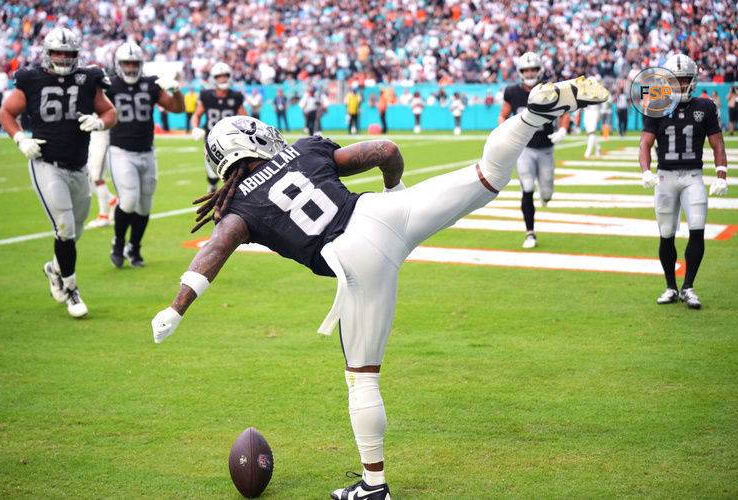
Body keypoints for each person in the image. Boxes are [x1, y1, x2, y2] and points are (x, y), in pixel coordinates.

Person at [151, 76, 609, 499]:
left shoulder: (238, 209)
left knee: (363, 377)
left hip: (352, 260)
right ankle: (531, 116)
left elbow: (212, 253)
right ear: (254, 139)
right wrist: (398, 195)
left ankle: (374, 485)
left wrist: (175, 309)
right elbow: (385, 150)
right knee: (487, 177)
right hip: (382, 214)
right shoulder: (306, 150)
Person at [0, 27, 117, 318]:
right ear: (47, 54)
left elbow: (110, 111)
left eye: (69, 54)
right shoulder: (31, 78)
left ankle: (54, 268)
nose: (63, 58)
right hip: (46, 163)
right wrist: (20, 138)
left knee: (73, 231)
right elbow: (6, 113)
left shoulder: (88, 78)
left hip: (79, 166)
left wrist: (100, 123)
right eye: (58, 53)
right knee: (64, 227)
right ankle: (71, 289)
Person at [639, 54, 729, 309]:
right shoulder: (656, 106)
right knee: (666, 234)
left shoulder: (706, 106)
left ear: (694, 80)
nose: (679, 85)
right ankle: (670, 286)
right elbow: (645, 143)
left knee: (697, 229)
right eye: (675, 80)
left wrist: (721, 174)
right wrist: (646, 171)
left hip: (693, 176)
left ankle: (688, 286)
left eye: (684, 80)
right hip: (665, 176)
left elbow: (717, 143)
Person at [106, 42, 185, 268]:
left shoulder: (150, 84)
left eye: (134, 63)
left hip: (147, 151)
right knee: (129, 200)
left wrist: (176, 90)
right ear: (118, 65)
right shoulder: (109, 85)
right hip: (121, 151)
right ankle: (118, 243)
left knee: (145, 205)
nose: (130, 67)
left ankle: (135, 247)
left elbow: (177, 108)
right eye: (126, 63)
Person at [498, 52, 571, 248]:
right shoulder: (513, 92)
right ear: (520, 72)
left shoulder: (550, 90)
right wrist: (506, 133)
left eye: (533, 69)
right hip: (524, 148)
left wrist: (563, 129)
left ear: (540, 70)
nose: (530, 73)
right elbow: (503, 116)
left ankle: (545, 197)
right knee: (527, 187)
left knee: (546, 192)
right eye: (526, 70)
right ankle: (530, 233)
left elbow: (565, 112)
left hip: (546, 147)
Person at [191, 62, 247, 193]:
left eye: (225, 75)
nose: (223, 78)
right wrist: (195, 127)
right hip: (212, 141)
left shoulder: (236, 96)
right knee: (212, 176)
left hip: (231, 141)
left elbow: (245, 119)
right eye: (219, 76)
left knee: (233, 175)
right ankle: (212, 185)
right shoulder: (206, 95)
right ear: (214, 79)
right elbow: (196, 115)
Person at [85, 129, 119, 228]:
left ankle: (104, 216)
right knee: (87, 177)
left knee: (97, 178)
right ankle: (113, 201)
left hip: (102, 139)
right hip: (91, 137)